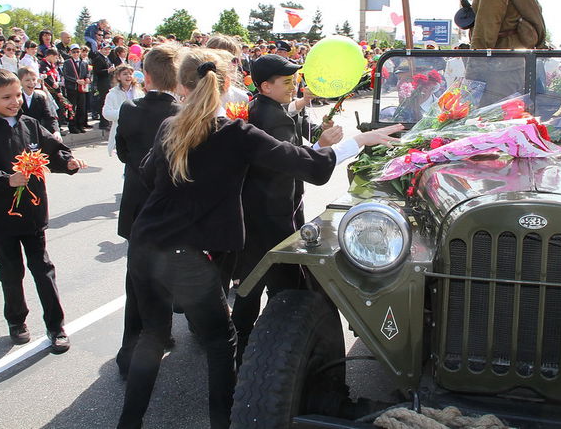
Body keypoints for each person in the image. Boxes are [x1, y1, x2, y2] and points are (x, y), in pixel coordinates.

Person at [116, 48, 401, 429]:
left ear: (183, 86)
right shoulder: (235, 133)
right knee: (221, 343)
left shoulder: (172, 126)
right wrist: (359, 140)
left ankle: (128, 423)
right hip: (187, 254)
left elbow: (150, 174)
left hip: (145, 245)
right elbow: (311, 167)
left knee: (151, 337)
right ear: (227, 85)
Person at [0, 69, 87, 352]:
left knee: (43, 269)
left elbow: (53, 152)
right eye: (6, 97)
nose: (15, 101)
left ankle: (56, 326)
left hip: (32, 212)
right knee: (10, 271)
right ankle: (17, 321)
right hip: (0, 217)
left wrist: (67, 162)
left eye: (17, 95)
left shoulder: (30, 124)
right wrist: (5, 180)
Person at [231, 53, 342, 364]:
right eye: (288, 82)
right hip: (273, 213)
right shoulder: (273, 116)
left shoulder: (262, 108)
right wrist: (323, 147)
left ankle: (239, 347)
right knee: (285, 289)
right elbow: (289, 161)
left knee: (250, 283)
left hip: (255, 212)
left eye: (295, 80)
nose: (295, 86)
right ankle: (275, 353)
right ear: (266, 86)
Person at [113, 44, 182, 378]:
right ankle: (161, 333)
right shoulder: (182, 112)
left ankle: (130, 347)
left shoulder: (129, 109)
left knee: (135, 277)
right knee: (165, 274)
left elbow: (124, 151)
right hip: (169, 204)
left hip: (138, 201)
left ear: (147, 75)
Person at [102, 65, 144, 155]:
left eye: (130, 74)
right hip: (122, 132)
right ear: (118, 77)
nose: (128, 76)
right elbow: (106, 113)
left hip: (138, 133)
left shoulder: (139, 93)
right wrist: (124, 113)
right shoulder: (112, 94)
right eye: (125, 74)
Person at [17, 67, 61, 140]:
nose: (31, 83)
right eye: (27, 80)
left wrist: (56, 131)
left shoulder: (40, 97)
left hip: (37, 134)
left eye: (34, 79)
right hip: (21, 135)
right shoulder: (17, 98)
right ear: (20, 82)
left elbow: (49, 117)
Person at [62, 44, 91, 133]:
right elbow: (66, 75)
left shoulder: (84, 62)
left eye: (77, 52)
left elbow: (87, 73)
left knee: (81, 107)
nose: (76, 54)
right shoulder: (67, 62)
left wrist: (87, 78)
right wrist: (76, 80)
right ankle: (72, 126)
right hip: (72, 88)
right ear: (70, 52)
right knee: (72, 107)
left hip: (81, 88)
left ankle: (80, 124)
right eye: (73, 52)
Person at [90, 42, 114, 129]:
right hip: (101, 83)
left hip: (107, 82)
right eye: (105, 49)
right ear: (101, 49)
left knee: (107, 101)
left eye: (109, 49)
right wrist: (108, 70)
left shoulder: (106, 58)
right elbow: (97, 72)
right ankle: (103, 123)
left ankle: (106, 122)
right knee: (103, 102)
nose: (107, 51)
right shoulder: (98, 58)